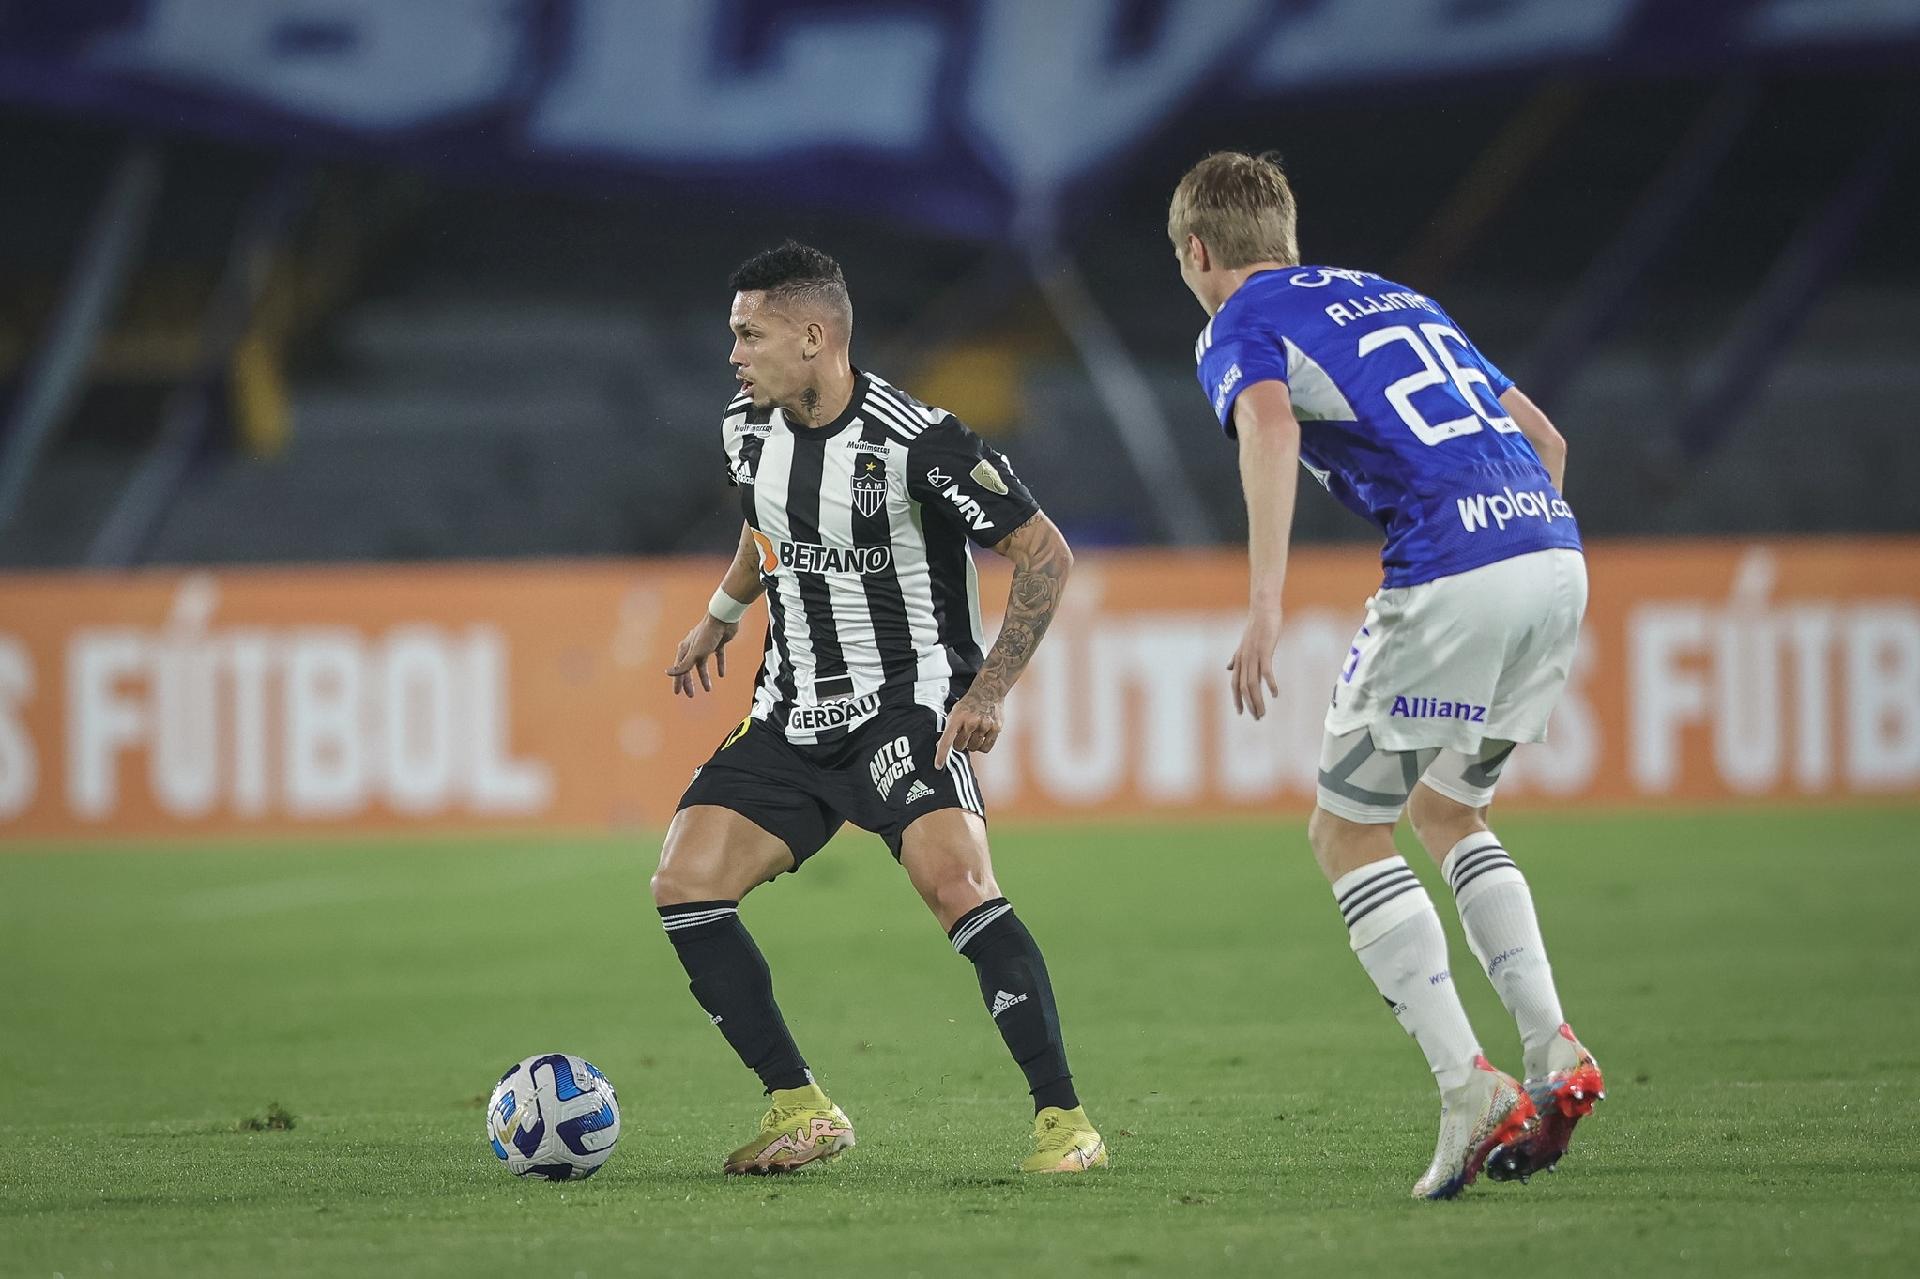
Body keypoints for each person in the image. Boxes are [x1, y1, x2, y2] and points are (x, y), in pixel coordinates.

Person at [1169, 152, 1604, 1200]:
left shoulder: (1235, 320)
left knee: (1346, 831)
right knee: (1450, 811)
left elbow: (1269, 426)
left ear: (1198, 253)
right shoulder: (1400, 296)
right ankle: (1554, 1051)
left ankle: (1472, 1087)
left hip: (1454, 568)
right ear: (1287, 231)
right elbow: (1544, 436)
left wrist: (1265, 598)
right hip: (1553, 555)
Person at [652, 240, 1105, 1176]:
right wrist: (720, 615)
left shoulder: (919, 442)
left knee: (957, 888)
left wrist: (988, 691)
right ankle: (801, 1107)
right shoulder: (745, 425)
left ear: (814, 335)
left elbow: (1045, 553)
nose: (734, 353)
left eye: (751, 333)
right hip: (788, 712)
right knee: (685, 884)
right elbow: (762, 523)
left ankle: (1066, 1123)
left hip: (904, 710)